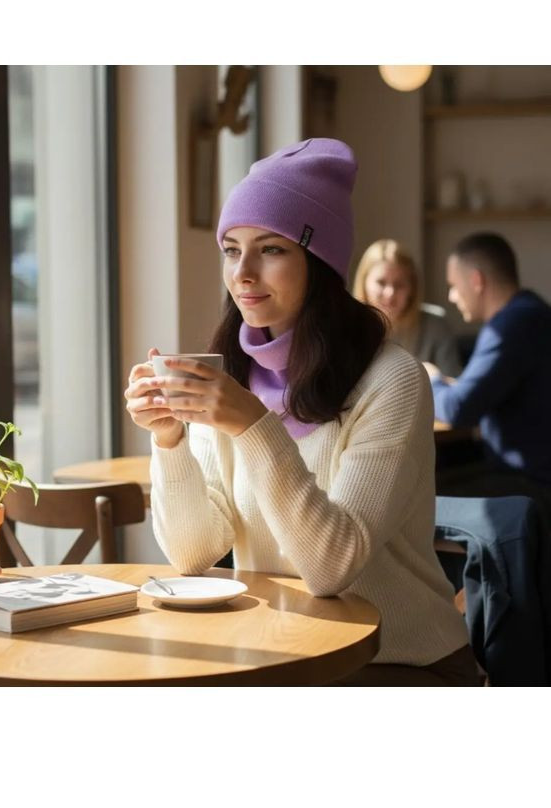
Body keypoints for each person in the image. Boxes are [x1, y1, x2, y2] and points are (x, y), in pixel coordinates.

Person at [125, 138, 478, 686]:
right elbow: (195, 556)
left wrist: (252, 426)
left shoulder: (392, 381)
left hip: (397, 662)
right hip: (282, 654)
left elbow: (330, 566)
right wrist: (169, 441)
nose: (242, 273)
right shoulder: (235, 376)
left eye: (271, 249)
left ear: (319, 261)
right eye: (231, 249)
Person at [425, 232, 551, 521]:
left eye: (454, 286)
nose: (452, 296)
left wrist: (429, 378)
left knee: (415, 503)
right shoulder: (529, 313)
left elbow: (457, 410)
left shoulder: (511, 327)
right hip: (526, 474)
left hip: (530, 483)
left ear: (477, 281)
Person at [353, 238, 462, 377]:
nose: (390, 293)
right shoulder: (348, 327)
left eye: (399, 285)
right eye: (381, 283)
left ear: (412, 288)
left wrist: (434, 377)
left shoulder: (436, 326)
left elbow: (455, 389)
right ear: (364, 283)